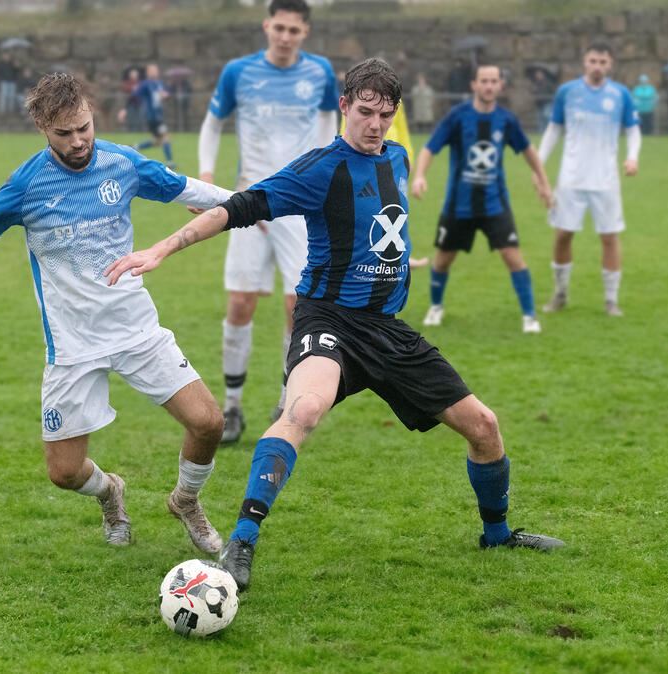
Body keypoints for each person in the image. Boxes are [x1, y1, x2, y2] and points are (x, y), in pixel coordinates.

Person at [107, 58, 565, 593]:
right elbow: (241, 207)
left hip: (388, 330)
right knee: (304, 409)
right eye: (365, 111)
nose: (375, 124)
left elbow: (384, 227)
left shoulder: (397, 156)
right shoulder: (320, 168)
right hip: (329, 320)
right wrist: (164, 247)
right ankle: (242, 542)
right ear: (344, 106)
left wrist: (402, 262)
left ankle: (498, 535)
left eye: (385, 115)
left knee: (484, 426)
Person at [0, 72, 235, 551]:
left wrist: (253, 203)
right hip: (72, 346)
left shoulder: (121, 163)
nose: (78, 141)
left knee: (209, 422)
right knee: (65, 473)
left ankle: (186, 501)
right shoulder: (26, 185)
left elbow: (186, 188)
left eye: (84, 128)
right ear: (42, 129)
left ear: (92, 115)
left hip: (136, 329)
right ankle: (110, 492)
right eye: (64, 133)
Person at [198, 0, 339, 444]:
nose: (285, 36)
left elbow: (328, 126)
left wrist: (323, 178)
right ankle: (232, 406)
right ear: (266, 26)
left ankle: (284, 401)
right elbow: (212, 124)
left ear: (305, 33)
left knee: (298, 306)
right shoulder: (238, 72)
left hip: (297, 206)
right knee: (241, 304)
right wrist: (206, 177)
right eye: (279, 28)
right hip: (249, 203)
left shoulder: (320, 72)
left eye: (293, 30)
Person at [411, 64, 554, 334]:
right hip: (458, 204)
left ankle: (529, 315)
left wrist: (544, 184)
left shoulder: (506, 120)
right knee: (443, 260)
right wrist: (419, 176)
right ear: (474, 85)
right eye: (484, 81)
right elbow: (430, 148)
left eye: (493, 81)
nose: (488, 86)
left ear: (501, 85)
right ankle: (436, 307)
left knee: (513, 257)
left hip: (494, 203)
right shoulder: (458, 116)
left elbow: (529, 151)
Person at [537, 42, 641, 317]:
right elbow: (554, 129)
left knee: (609, 237)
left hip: (605, 180)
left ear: (610, 64)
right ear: (585, 62)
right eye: (593, 61)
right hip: (571, 179)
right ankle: (560, 294)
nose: (597, 66)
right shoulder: (567, 92)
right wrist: (539, 166)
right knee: (563, 235)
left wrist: (632, 157)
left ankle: (611, 300)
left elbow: (633, 130)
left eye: (603, 62)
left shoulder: (620, 94)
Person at [121, 63, 174, 167]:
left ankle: (134, 147)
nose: (154, 72)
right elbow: (134, 96)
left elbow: (166, 94)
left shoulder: (159, 83)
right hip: (152, 116)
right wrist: (125, 109)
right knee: (165, 136)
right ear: (148, 72)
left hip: (159, 115)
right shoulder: (145, 84)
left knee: (157, 141)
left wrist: (166, 95)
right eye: (152, 70)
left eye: (156, 70)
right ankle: (169, 162)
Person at [529, 67, 555, 133]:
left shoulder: (548, 83)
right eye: (537, 74)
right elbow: (534, 92)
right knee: (540, 118)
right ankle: (541, 131)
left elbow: (552, 92)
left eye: (539, 74)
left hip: (547, 102)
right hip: (539, 103)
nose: (538, 75)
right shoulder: (536, 83)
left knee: (546, 115)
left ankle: (548, 130)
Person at [0, 51, 19, 116]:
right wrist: (1, 79)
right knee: (3, 96)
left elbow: (17, 72)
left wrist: (16, 67)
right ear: (3, 56)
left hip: (12, 82)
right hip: (4, 82)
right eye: (5, 56)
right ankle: (2, 111)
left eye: (7, 56)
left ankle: (10, 111)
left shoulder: (12, 63)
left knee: (11, 97)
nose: (6, 57)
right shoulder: (0, 64)